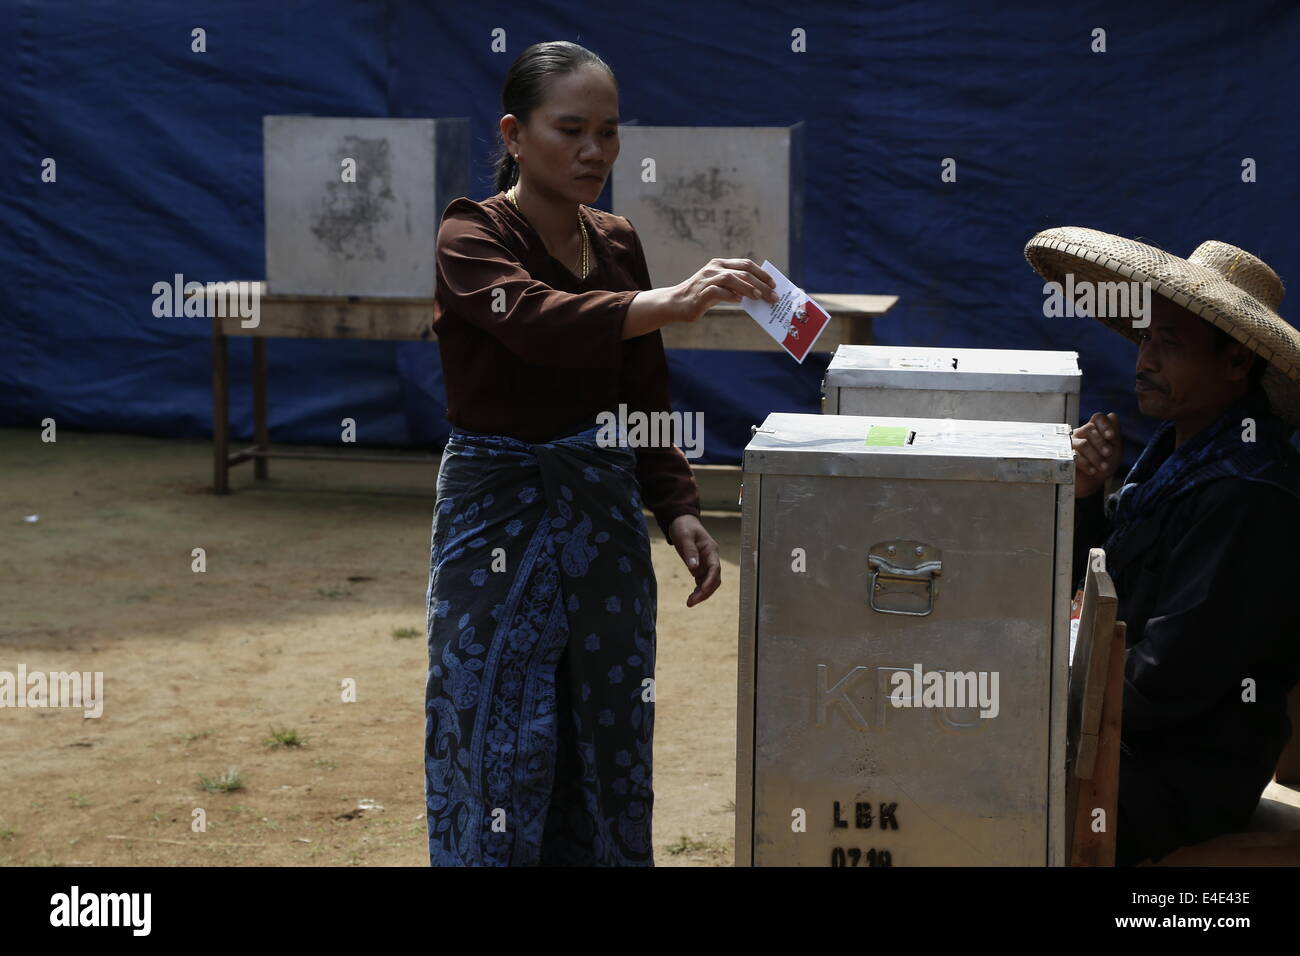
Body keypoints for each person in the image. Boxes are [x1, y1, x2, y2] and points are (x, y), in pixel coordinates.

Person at [424, 40, 779, 866]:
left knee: (606, 718)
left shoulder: (616, 243)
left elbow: (642, 391)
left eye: (609, 133)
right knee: (491, 723)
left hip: (604, 516)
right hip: (497, 520)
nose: (595, 152)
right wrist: (670, 300)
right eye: (571, 130)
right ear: (514, 134)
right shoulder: (470, 234)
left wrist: (678, 506)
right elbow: (537, 321)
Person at [1026, 227, 1300, 865]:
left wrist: (1040, 690)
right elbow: (1106, 582)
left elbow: (1166, 683)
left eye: (1170, 344)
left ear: (1236, 363)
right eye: (1146, 338)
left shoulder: (1248, 493)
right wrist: (1092, 497)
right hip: (1131, 739)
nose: (1144, 360)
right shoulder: (1175, 456)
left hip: (1182, 774)